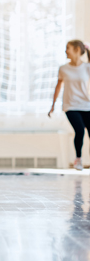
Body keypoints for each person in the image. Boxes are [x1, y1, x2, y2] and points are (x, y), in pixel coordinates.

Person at [49, 40, 90, 171]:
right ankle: (78, 159)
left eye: (68, 48)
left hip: (86, 105)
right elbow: (58, 86)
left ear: (77, 50)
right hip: (70, 106)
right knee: (79, 130)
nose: (65, 51)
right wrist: (53, 105)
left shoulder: (87, 67)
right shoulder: (63, 68)